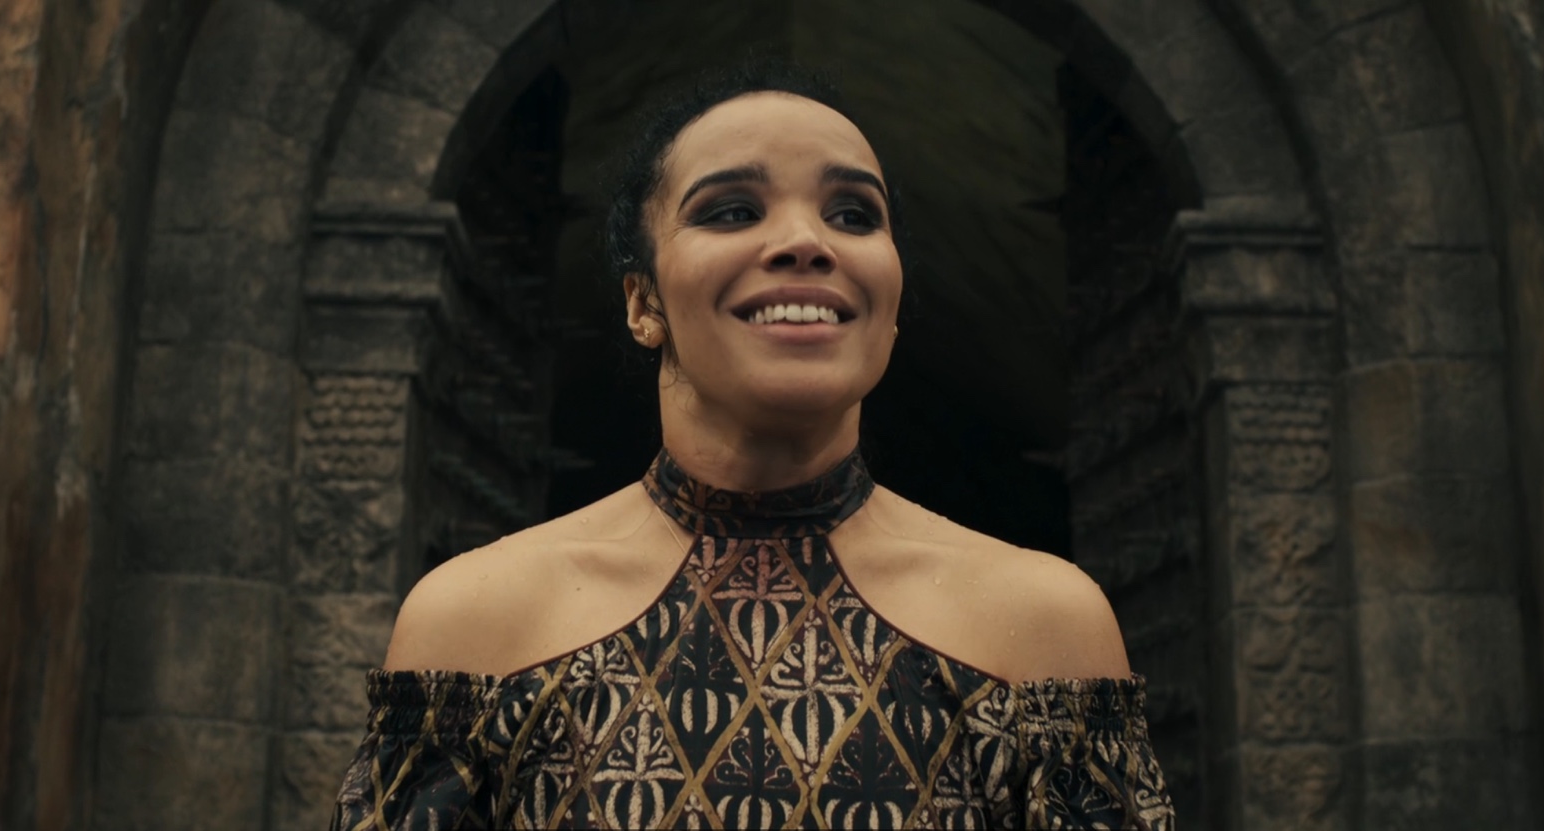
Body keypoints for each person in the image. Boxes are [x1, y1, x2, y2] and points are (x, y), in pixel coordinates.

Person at [330, 61, 1175, 830]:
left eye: (854, 213)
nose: (806, 240)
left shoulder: (1044, 630)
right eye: (732, 210)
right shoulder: (476, 627)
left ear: (890, 303)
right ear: (642, 302)